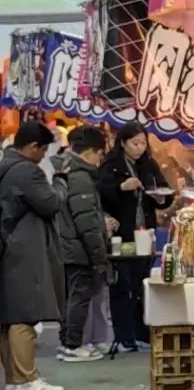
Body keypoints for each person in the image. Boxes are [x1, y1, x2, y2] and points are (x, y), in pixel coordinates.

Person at [0, 119, 67, 390]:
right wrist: (61, 181)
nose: (43, 157)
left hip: (7, 246)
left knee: (8, 316)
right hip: (23, 249)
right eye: (42, 151)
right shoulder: (28, 172)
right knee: (25, 315)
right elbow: (51, 203)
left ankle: (14, 379)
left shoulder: (5, 165)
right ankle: (28, 380)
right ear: (32, 147)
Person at [99, 122, 173, 353]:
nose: (140, 148)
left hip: (146, 231)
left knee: (143, 284)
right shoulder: (111, 165)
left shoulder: (148, 164)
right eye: (135, 143)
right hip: (123, 234)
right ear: (123, 142)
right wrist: (121, 187)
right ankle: (124, 336)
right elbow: (102, 193)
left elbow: (164, 190)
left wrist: (162, 199)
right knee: (122, 284)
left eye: (143, 143)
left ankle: (143, 332)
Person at [55, 125, 113, 363]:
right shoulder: (80, 177)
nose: (100, 160)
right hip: (78, 249)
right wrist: (100, 256)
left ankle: (68, 342)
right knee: (79, 297)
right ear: (90, 152)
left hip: (68, 247)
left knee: (71, 297)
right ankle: (73, 345)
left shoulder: (67, 170)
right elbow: (86, 222)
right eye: (100, 154)